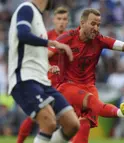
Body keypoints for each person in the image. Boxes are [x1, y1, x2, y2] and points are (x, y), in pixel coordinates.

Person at [49, 8, 124, 143]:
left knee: (84, 128)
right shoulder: (67, 37)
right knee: (94, 103)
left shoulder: (100, 40)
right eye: (93, 24)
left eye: (98, 25)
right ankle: (121, 112)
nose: (96, 28)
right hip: (67, 86)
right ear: (82, 23)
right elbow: (45, 55)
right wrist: (51, 66)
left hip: (88, 86)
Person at [8, 1, 79, 143]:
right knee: (49, 122)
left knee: (72, 124)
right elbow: (22, 34)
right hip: (25, 77)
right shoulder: (26, 8)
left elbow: (37, 55)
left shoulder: (39, 18)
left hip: (42, 81)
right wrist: (51, 43)